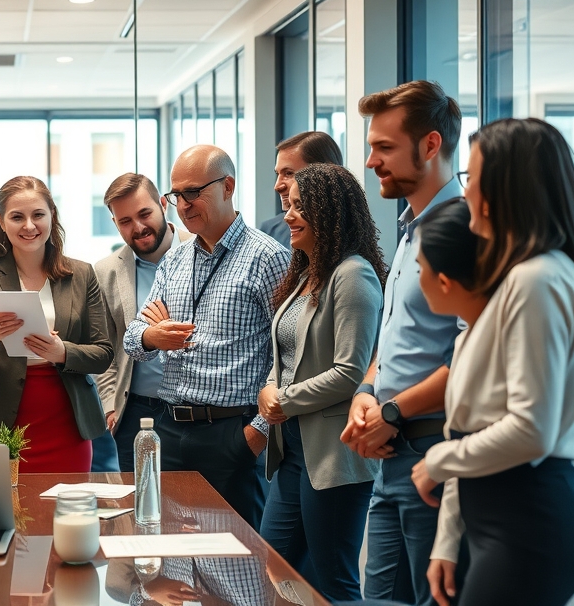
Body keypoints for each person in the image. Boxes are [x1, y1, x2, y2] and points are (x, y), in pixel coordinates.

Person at [412, 118, 574, 606]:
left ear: (502, 190)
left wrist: (437, 460)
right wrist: (447, 541)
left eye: (472, 178)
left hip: (528, 518)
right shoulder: (528, 276)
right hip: (503, 516)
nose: (466, 190)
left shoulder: (536, 280)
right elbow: (473, 428)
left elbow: (530, 430)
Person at [339, 79, 466, 606]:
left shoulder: (463, 232)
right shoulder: (411, 228)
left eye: (384, 147)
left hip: (431, 449)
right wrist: (367, 393)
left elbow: (471, 359)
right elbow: (392, 342)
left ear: (431, 145)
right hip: (392, 452)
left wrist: (390, 411)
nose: (371, 161)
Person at [124, 144, 291, 528]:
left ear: (228, 186)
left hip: (232, 433)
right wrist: (153, 335)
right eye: (176, 195)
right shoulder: (175, 259)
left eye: (193, 192)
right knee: (173, 560)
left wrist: (257, 435)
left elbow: (288, 355)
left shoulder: (268, 258)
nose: (182, 205)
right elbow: (133, 340)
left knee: (236, 567)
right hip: (168, 428)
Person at [256, 163, 386, 601]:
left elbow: (351, 372)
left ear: (330, 213)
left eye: (300, 207)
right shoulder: (308, 274)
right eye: (289, 206)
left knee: (334, 581)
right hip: (292, 448)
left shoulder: (353, 274)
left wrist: (284, 399)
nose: (289, 216)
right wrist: (269, 389)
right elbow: (286, 351)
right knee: (274, 566)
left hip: (333, 455)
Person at [0, 176, 112, 472]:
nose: (29, 226)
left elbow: (103, 353)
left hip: (66, 418)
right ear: (1, 222)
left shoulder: (81, 274)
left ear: (52, 215)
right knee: (2, 512)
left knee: (66, 509)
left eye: (38, 214)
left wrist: (61, 352)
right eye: (17, 217)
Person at [95, 172, 183, 473]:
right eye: (125, 221)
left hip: (195, 411)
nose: (138, 227)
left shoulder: (202, 252)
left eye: (144, 213)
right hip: (135, 412)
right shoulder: (106, 272)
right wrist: (110, 404)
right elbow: (104, 349)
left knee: (197, 509)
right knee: (140, 507)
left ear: (163, 204)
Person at [259, 131, 344, 248]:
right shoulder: (270, 232)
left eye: (288, 173)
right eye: (278, 174)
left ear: (324, 175)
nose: (278, 186)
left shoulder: (350, 238)